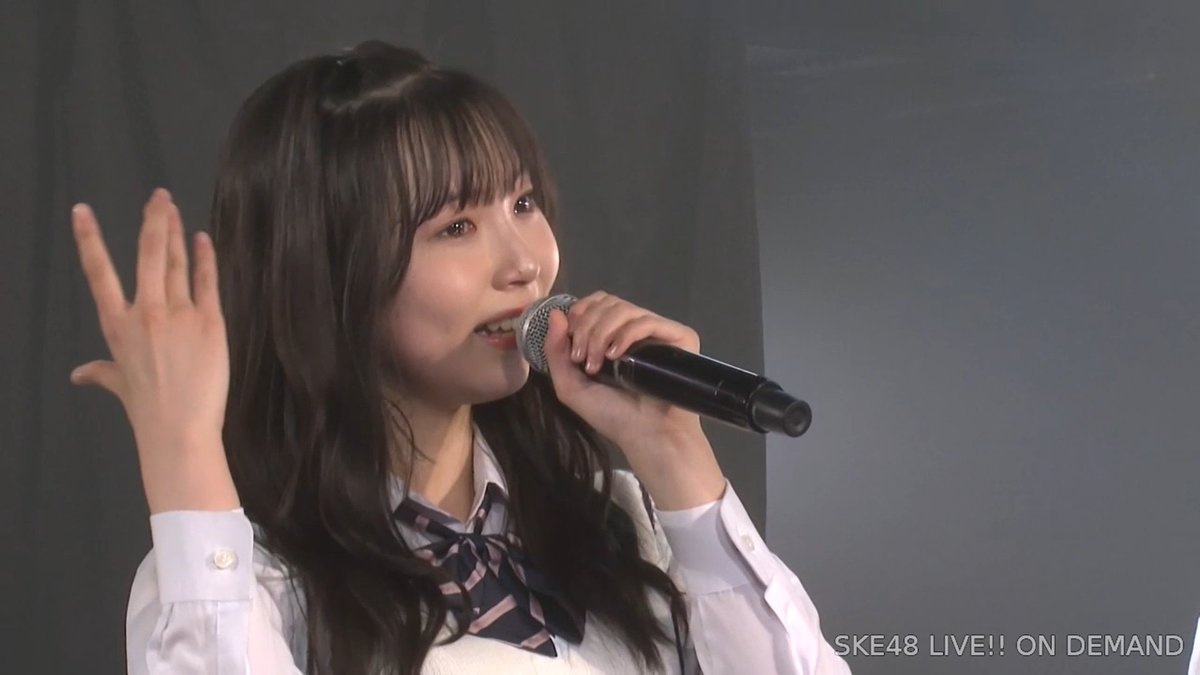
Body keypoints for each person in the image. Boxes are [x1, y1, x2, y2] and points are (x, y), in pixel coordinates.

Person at [68, 40, 850, 674]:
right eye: (456, 228)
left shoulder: (615, 522)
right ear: (330, 275)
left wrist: (673, 450)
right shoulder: (255, 578)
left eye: (523, 203)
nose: (525, 264)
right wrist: (185, 459)